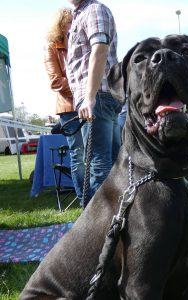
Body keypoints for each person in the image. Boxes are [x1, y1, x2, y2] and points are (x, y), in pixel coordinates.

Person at [66, 0, 122, 206]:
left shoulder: (93, 10)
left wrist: (89, 96)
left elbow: (99, 49)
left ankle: (101, 227)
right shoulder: (80, 14)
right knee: (115, 161)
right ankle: (119, 220)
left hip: (98, 96)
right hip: (101, 96)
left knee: (99, 164)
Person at [44, 7, 85, 207]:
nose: (74, 24)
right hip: (69, 107)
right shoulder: (51, 47)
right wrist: (82, 93)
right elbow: (56, 81)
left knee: (94, 154)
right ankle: (86, 201)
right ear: (60, 24)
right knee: (78, 154)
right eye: (69, 21)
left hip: (91, 104)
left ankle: (98, 199)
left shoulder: (81, 41)